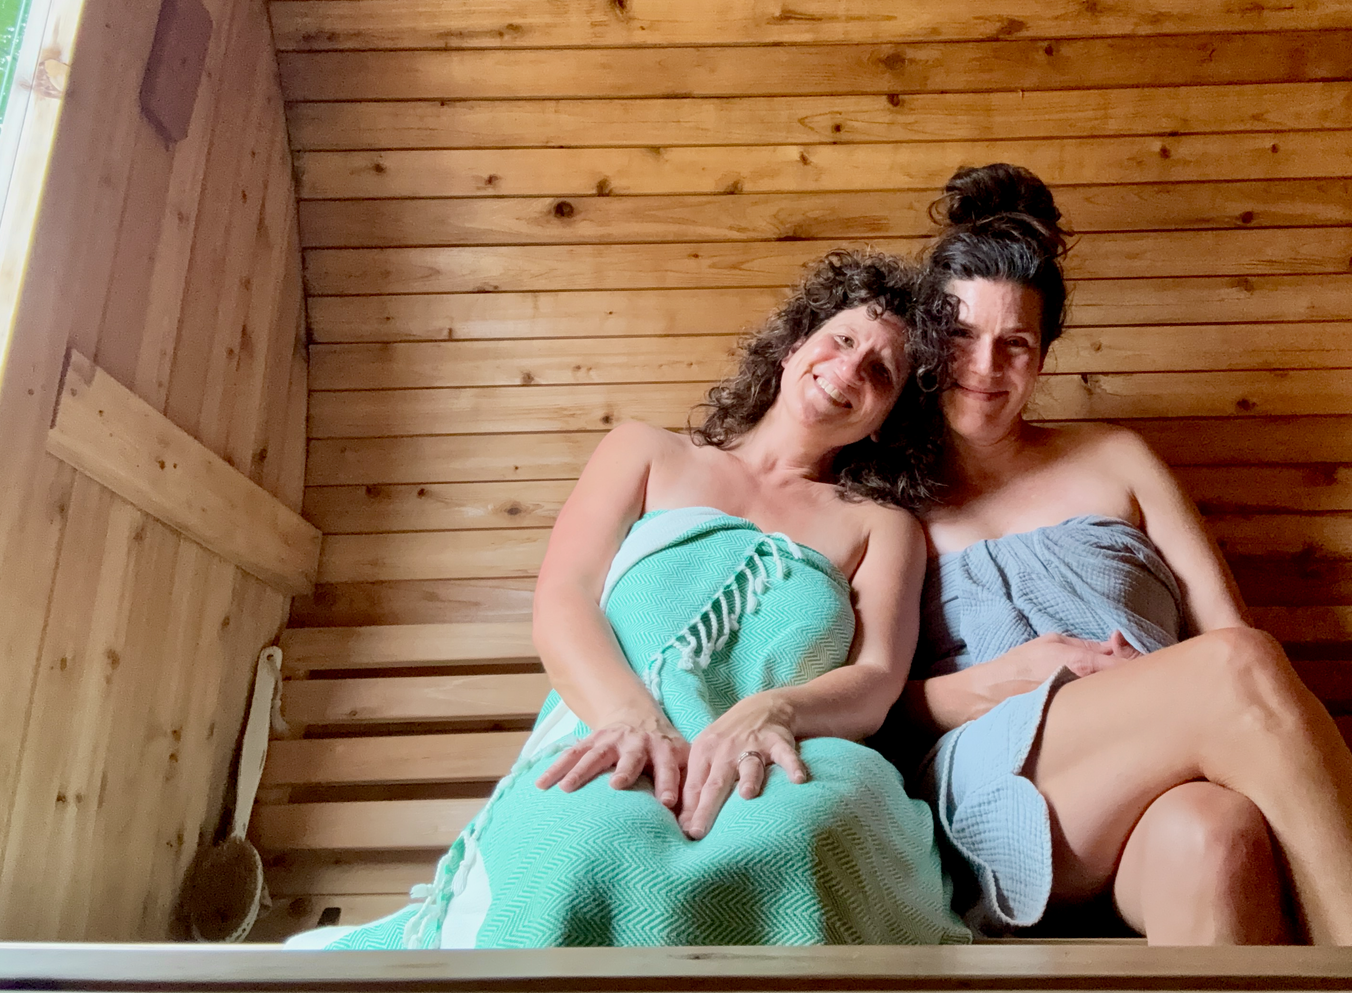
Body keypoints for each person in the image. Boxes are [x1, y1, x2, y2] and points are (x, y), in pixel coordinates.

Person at [291, 250, 969, 949]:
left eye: (880, 372)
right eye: (844, 338)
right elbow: (566, 595)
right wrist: (630, 715)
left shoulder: (881, 527)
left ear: (890, 415)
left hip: (790, 752)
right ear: (797, 344)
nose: (849, 369)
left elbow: (877, 677)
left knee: (811, 831)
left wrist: (771, 710)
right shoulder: (647, 453)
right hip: (615, 722)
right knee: (592, 837)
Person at [897, 165, 1352, 947]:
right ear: (928, 336)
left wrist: (1168, 695)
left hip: (1170, 764)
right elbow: (878, 703)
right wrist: (1005, 678)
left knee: (1215, 836)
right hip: (998, 777)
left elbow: (1232, 635)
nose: (984, 368)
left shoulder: (1118, 458)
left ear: (1044, 355)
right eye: (960, 336)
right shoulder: (892, 497)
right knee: (1238, 668)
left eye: (1014, 343)